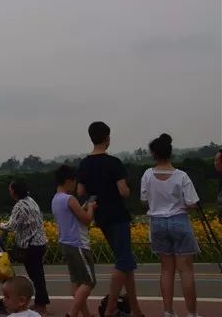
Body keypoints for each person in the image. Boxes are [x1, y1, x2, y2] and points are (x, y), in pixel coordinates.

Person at [76, 122, 142, 317]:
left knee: (126, 261)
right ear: (107, 138)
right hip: (118, 215)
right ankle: (111, 308)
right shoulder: (114, 163)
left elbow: (80, 191)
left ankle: (136, 309)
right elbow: (123, 191)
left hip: (101, 215)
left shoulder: (84, 164)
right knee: (123, 261)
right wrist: (127, 190)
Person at [140, 133, 201, 317]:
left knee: (166, 270)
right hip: (179, 221)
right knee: (186, 271)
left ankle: (168, 311)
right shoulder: (181, 176)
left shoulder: (148, 174)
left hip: (157, 223)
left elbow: (144, 200)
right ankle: (191, 313)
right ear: (170, 153)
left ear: (154, 154)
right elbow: (193, 203)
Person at [0, 179, 50, 314]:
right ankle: (41, 302)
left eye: (10, 189)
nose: (9, 191)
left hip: (30, 245)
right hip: (39, 243)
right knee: (38, 275)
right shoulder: (31, 201)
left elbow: (11, 226)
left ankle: (39, 304)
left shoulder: (20, 206)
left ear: (15, 191)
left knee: (34, 275)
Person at [52, 164, 96, 317]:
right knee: (89, 282)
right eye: (74, 181)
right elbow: (87, 220)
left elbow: (71, 218)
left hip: (65, 243)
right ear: (68, 181)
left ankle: (86, 314)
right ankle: (71, 313)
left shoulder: (56, 199)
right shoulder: (70, 199)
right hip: (78, 244)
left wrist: (82, 208)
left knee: (77, 282)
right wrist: (90, 207)